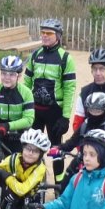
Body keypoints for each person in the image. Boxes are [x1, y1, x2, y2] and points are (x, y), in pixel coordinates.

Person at [23, 18, 77, 183]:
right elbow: (26, 84)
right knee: (32, 148)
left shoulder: (65, 58)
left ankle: (59, 184)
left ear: (58, 36)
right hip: (36, 111)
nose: (45, 36)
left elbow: (69, 89)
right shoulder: (35, 55)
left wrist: (66, 117)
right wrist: (25, 108)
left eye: (49, 33)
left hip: (55, 111)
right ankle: (33, 182)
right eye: (43, 33)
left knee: (56, 150)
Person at [50, 92, 105, 189]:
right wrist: (59, 148)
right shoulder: (84, 125)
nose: (94, 113)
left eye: (98, 110)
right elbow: (72, 142)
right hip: (82, 160)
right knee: (65, 185)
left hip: (103, 165)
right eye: (91, 110)